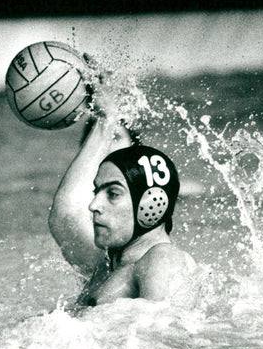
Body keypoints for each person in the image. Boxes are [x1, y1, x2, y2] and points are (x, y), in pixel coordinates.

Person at [48, 113, 197, 307]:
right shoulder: (109, 264)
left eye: (113, 194)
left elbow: (165, 332)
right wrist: (104, 119)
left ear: (151, 204)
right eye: (96, 191)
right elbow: (66, 216)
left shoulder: (161, 259)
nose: (93, 205)